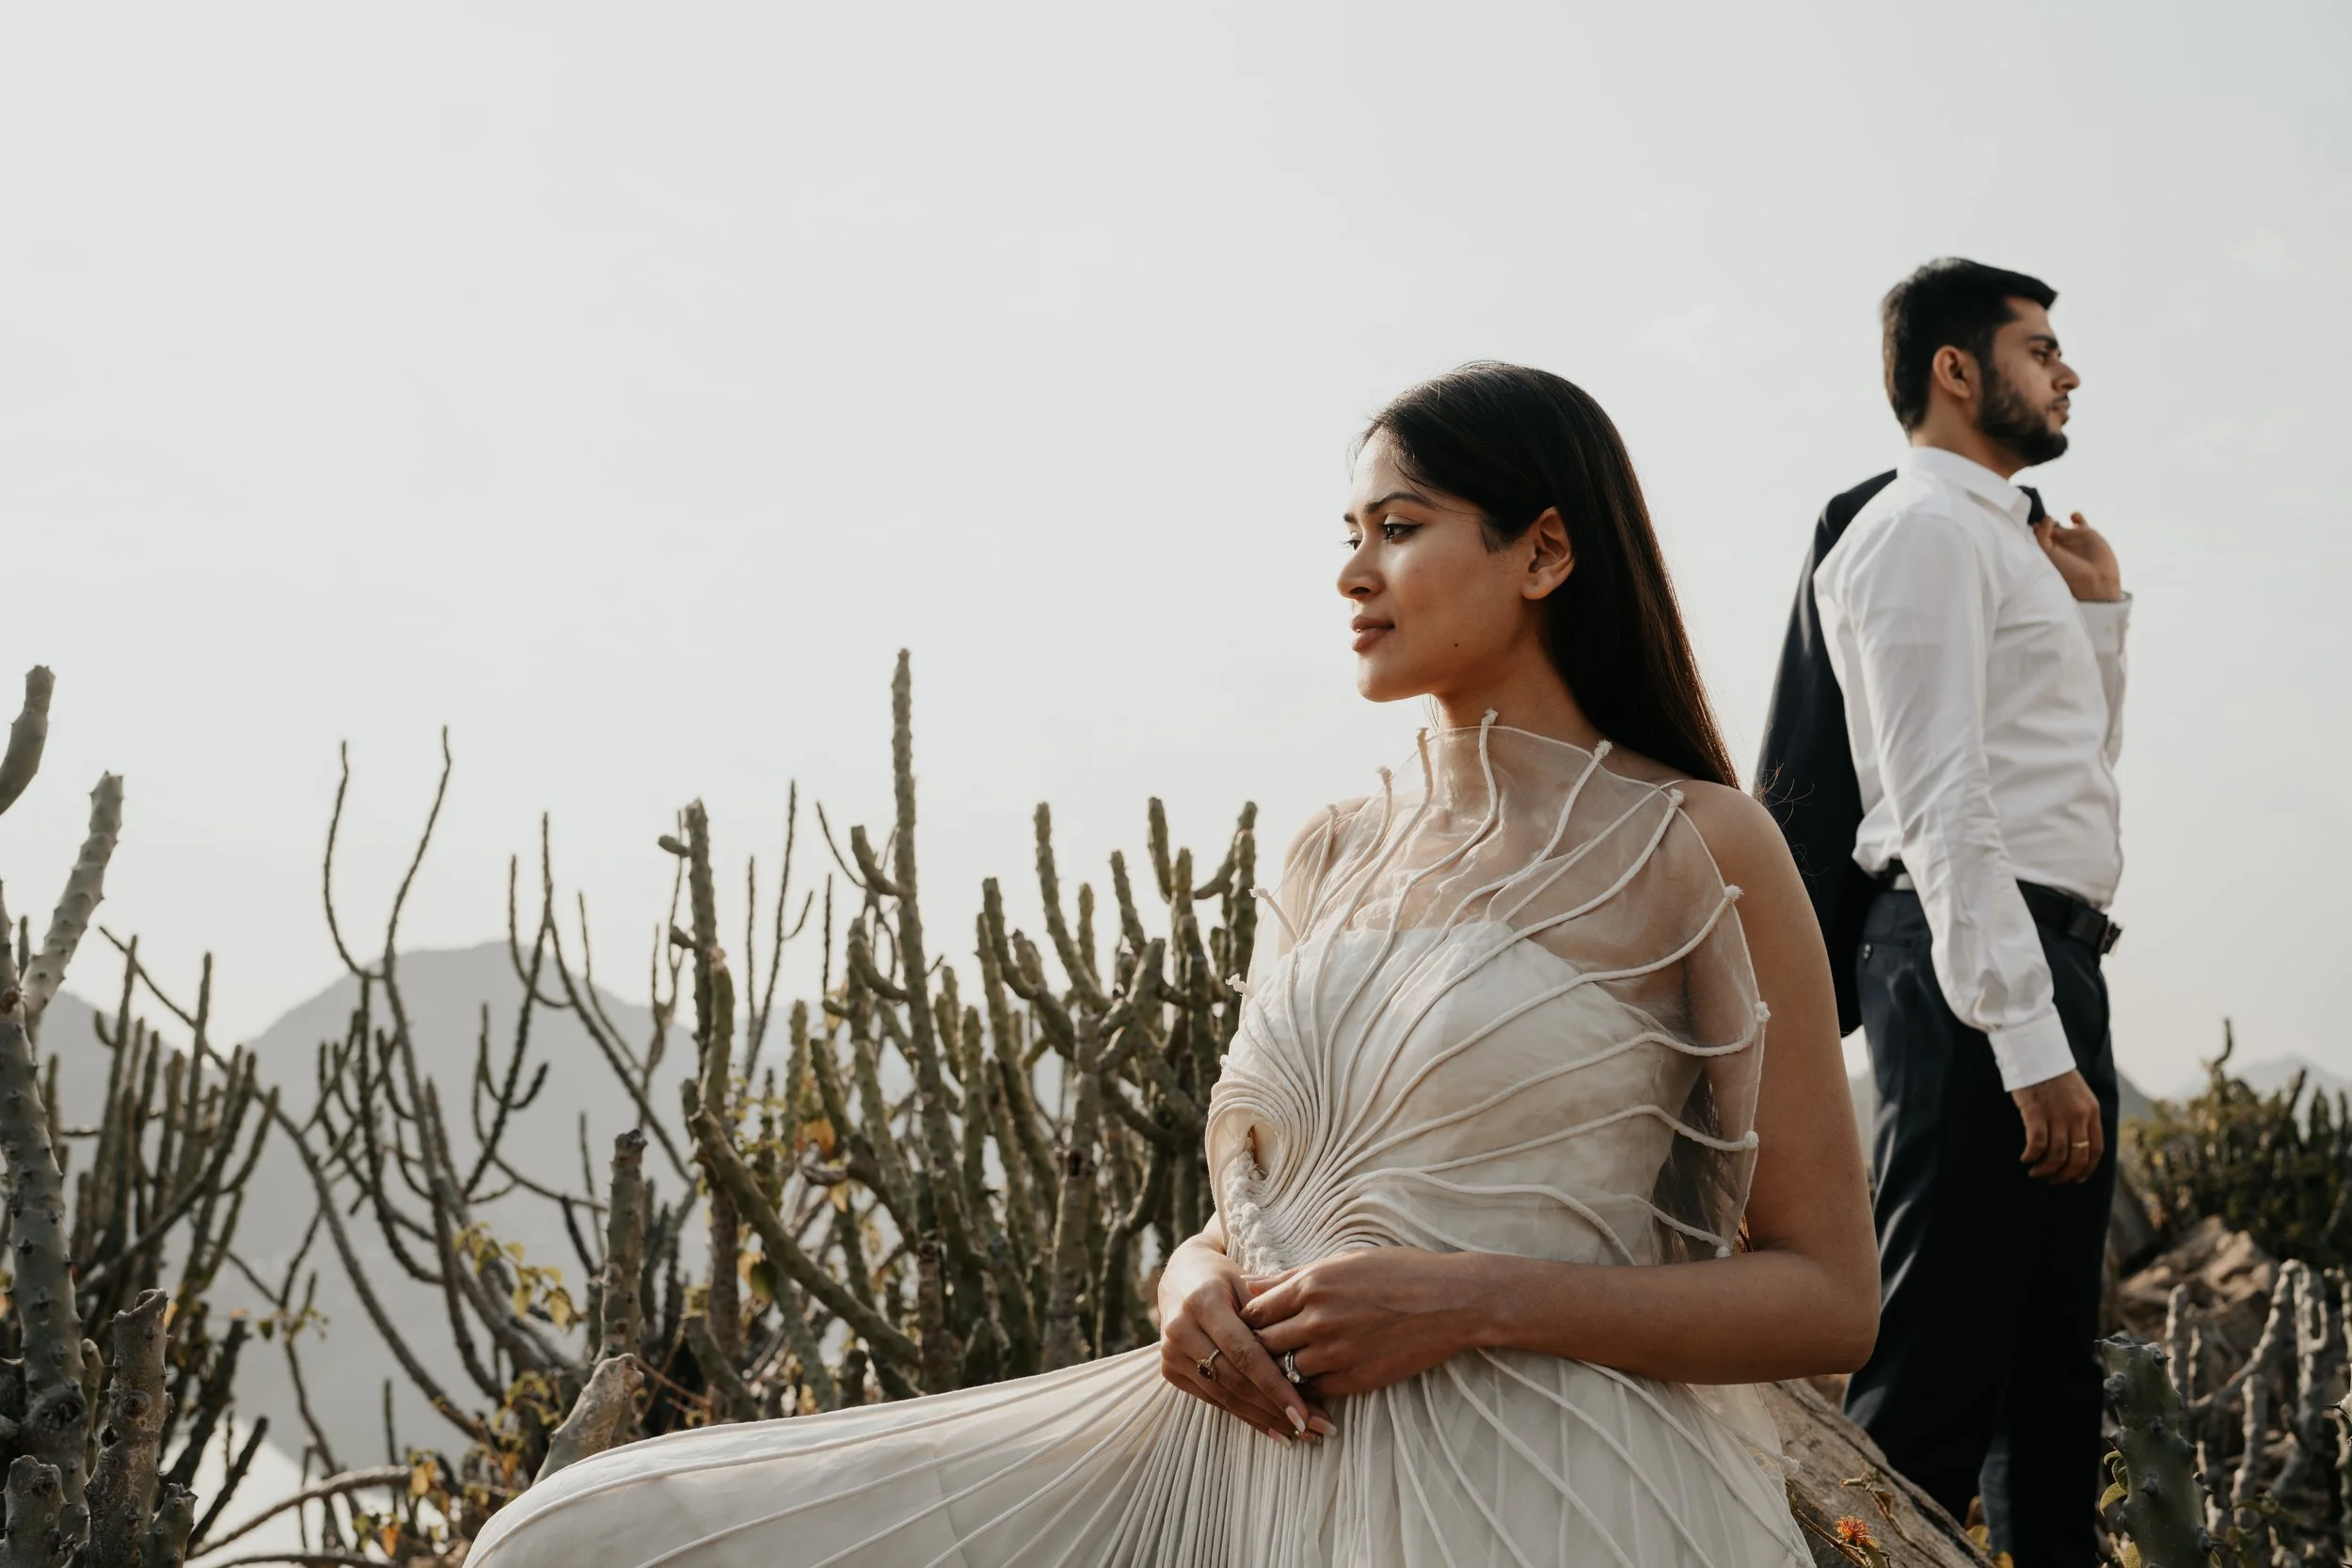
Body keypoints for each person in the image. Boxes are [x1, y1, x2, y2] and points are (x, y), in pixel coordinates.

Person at [468, 364, 1878, 1568]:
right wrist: (1187, 1280)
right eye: (1349, 531)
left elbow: (1828, 1294)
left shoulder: (1700, 845)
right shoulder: (1334, 851)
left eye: (1400, 526)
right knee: (584, 1535)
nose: (1351, 571)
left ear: (1547, 553)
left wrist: (1474, 1295)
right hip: (1245, 1446)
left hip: (1553, 1479)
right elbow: (1257, 1194)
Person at [1764, 260, 2129, 1568]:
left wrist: (2098, 625)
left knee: (2050, 1384)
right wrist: (2029, 1043)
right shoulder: (1920, 529)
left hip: (2038, 952)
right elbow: (1940, 804)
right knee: (1929, 1383)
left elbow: (2059, 783)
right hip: (1976, 963)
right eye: (2041, 347)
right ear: (1955, 370)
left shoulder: (1999, 536)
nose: (2068, 369)